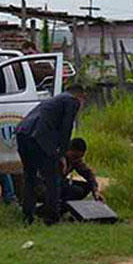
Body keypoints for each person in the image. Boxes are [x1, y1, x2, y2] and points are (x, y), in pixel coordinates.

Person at [16, 83, 87, 225]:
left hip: (22, 133)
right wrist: (62, 154)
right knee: (53, 178)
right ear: (81, 97)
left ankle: (27, 216)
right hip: (40, 136)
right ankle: (52, 218)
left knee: (30, 177)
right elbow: (66, 128)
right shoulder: (72, 101)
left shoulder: (54, 100)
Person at [60, 138, 104, 202]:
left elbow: (88, 173)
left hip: (61, 183)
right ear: (67, 150)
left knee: (87, 187)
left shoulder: (75, 160)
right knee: (76, 191)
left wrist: (95, 190)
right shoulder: (57, 156)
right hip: (47, 184)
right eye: (74, 156)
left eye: (79, 157)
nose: (76, 160)